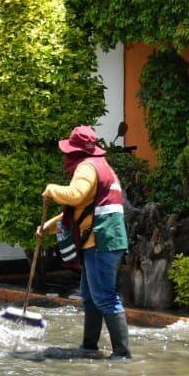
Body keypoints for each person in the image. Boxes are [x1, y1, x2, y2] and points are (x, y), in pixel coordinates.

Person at [36, 126, 132, 359]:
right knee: (91, 296)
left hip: (101, 241)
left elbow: (76, 194)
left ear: (75, 152)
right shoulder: (102, 167)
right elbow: (82, 209)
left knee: (104, 296)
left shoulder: (87, 167)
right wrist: (48, 227)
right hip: (103, 240)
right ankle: (89, 346)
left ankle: (122, 353)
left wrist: (51, 189)